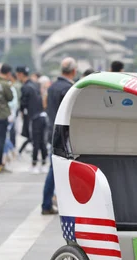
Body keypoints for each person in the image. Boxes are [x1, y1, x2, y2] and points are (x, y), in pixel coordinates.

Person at [43, 57, 77, 215]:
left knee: (54, 167)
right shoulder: (69, 89)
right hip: (65, 134)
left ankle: (48, 202)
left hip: (52, 130)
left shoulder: (52, 87)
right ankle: (49, 202)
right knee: (62, 168)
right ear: (74, 71)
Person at [17, 66, 47, 173]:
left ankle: (34, 164)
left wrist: (21, 111)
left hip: (34, 117)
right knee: (42, 141)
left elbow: (23, 103)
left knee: (36, 141)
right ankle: (43, 163)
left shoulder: (25, 87)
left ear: (20, 74)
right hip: (42, 115)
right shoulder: (35, 84)